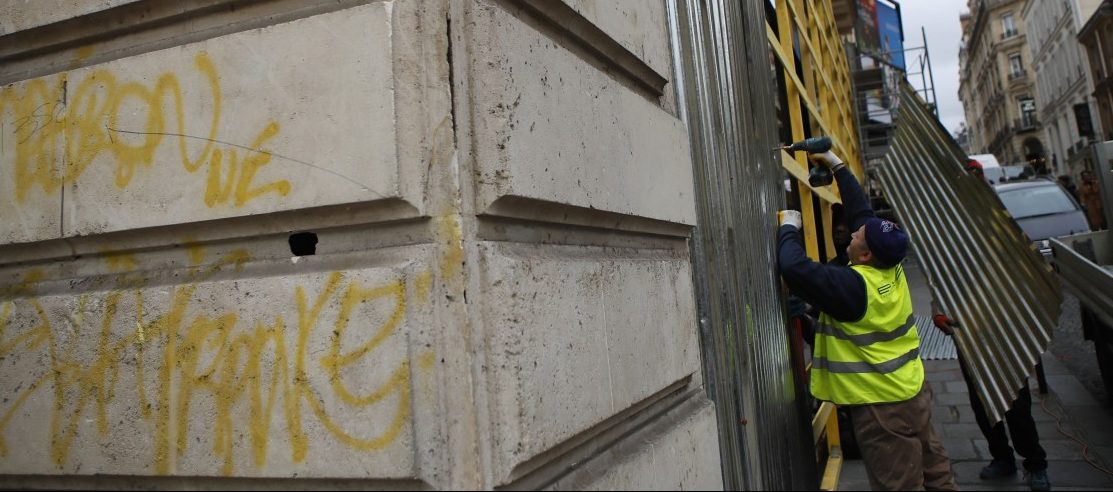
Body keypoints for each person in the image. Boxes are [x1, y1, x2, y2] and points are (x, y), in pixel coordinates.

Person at [777, 150, 957, 491]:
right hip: (912, 392)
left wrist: (788, 226)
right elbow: (863, 213)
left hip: (882, 410)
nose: (854, 231)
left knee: (900, 486)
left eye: (859, 235)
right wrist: (837, 165)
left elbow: (795, 268)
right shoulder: (891, 267)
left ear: (865, 253)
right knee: (938, 475)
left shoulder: (855, 287)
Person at [931, 314, 1050, 491]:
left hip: (1006, 328)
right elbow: (940, 286)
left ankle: (1036, 464)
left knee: (1018, 405)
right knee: (982, 403)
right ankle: (1002, 458)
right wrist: (938, 311)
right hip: (968, 334)